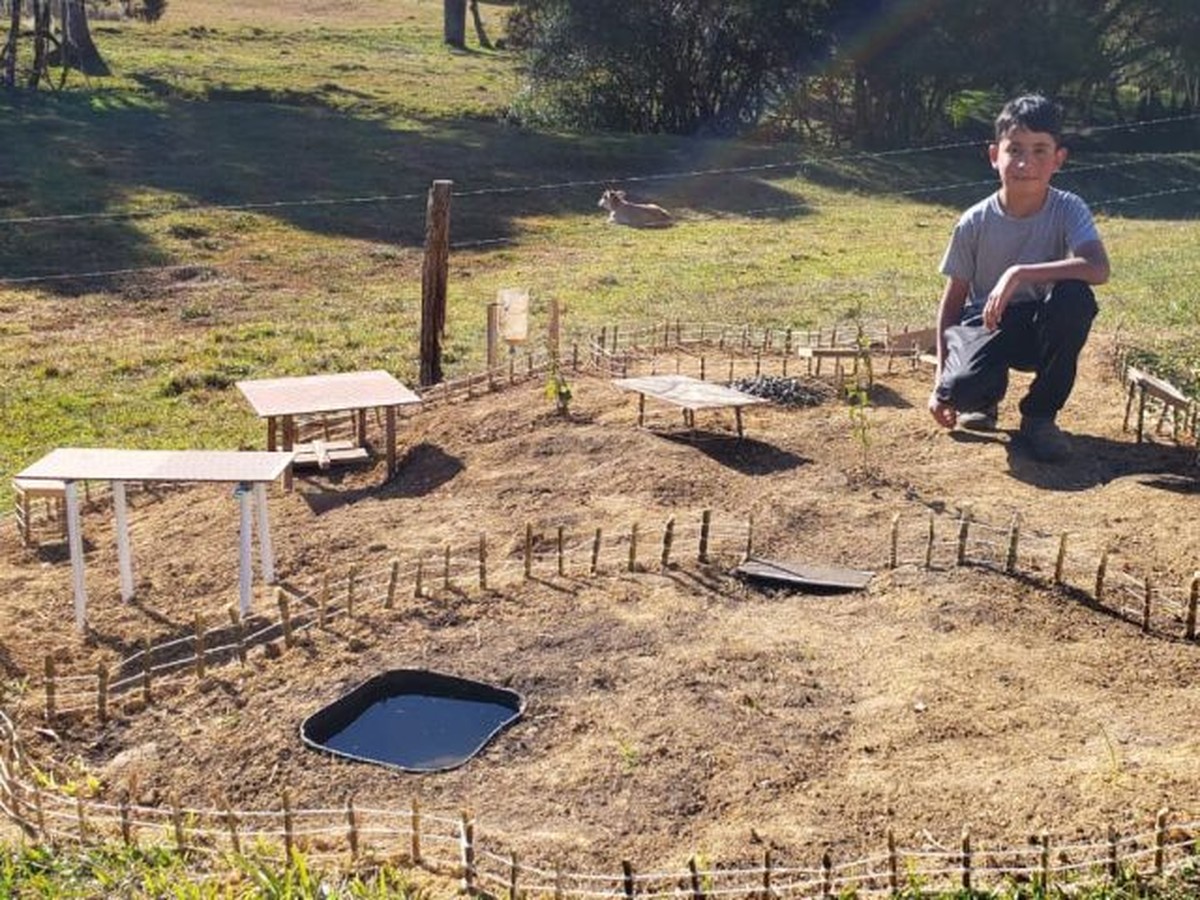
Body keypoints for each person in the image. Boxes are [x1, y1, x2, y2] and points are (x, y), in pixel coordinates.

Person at [927, 94, 1111, 462]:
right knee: (959, 388)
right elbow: (951, 306)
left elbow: (1098, 268)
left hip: (1040, 329)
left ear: (1059, 158)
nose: (1026, 162)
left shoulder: (1068, 207)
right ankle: (983, 397)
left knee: (1075, 297)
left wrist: (1019, 273)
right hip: (989, 326)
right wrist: (940, 387)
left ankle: (1040, 417)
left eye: (1041, 150)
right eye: (1016, 150)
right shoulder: (973, 222)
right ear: (995, 155)